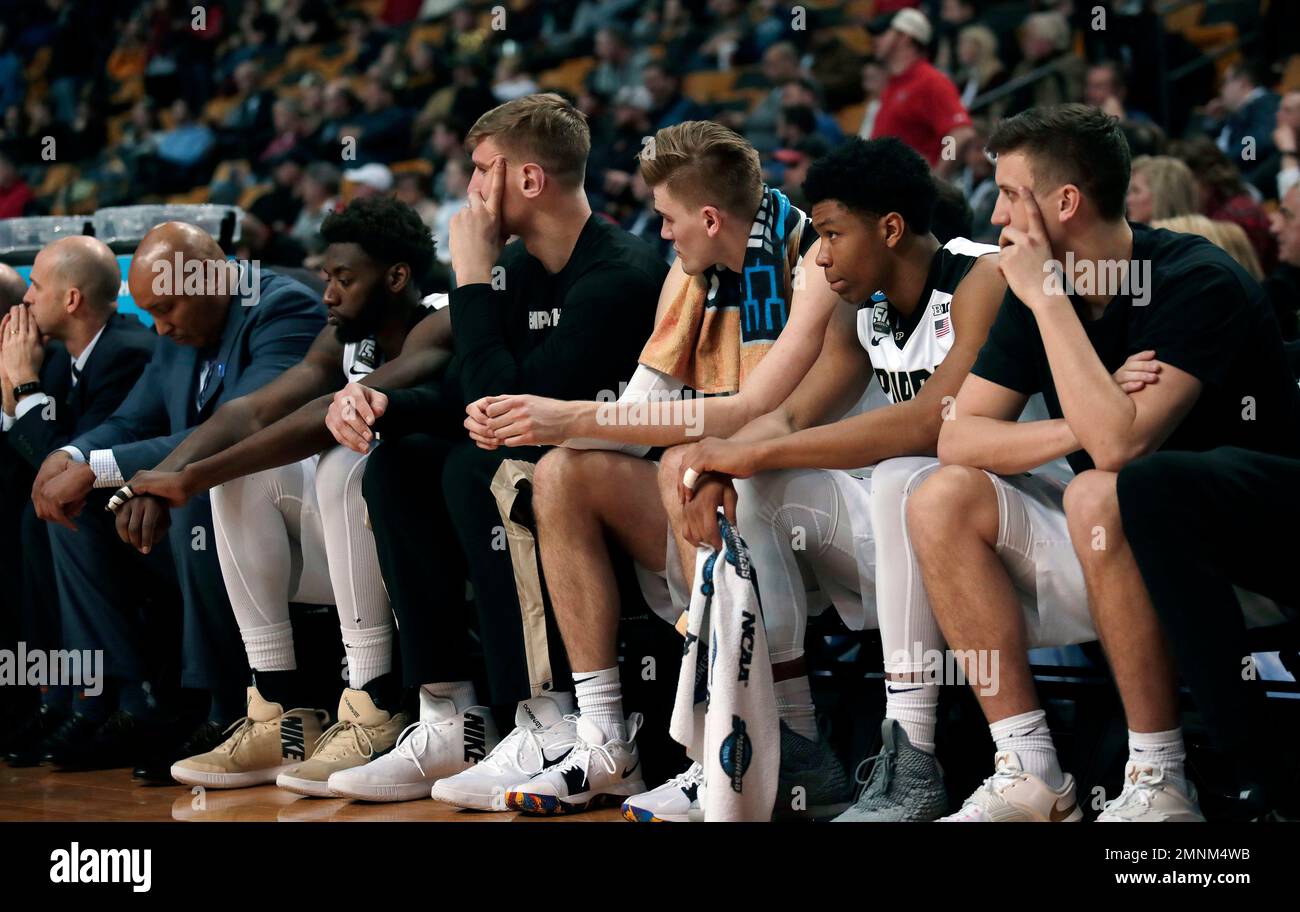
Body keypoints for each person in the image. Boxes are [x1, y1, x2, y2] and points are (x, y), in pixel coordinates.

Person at [905, 104, 1300, 822]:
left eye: (1010, 194)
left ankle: (1160, 778)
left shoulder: (1191, 279)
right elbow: (956, 437)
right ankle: (1029, 767)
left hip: (1244, 551)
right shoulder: (1034, 290)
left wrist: (1051, 302)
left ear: (1065, 202)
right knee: (941, 495)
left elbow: (1121, 448)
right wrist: (1074, 421)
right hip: (1120, 545)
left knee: (1100, 488)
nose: (996, 216)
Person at [481, 120, 839, 816]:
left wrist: (574, 415)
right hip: (728, 488)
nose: (664, 235)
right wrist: (542, 423)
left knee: (692, 463)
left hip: (815, 496)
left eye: (670, 219)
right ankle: (604, 735)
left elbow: (757, 418)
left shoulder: (812, 256)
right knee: (564, 473)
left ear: (709, 217)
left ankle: (756, 746)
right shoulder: (691, 274)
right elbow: (641, 410)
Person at [318, 94, 666, 806]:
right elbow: (463, 396)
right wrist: (385, 406)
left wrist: (470, 280)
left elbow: (509, 414)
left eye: (482, 171)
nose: (470, 190)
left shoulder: (620, 273)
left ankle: (549, 717)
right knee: (399, 461)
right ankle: (449, 712)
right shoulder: (516, 269)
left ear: (528, 181)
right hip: (531, 456)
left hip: (616, 476)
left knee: (483, 467)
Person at [656, 136, 1006, 823]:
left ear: (892, 228)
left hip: (1011, 528)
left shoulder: (981, 278)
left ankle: (914, 759)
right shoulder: (864, 310)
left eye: (832, 234)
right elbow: (788, 418)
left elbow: (931, 421)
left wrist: (751, 454)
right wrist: (717, 461)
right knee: (758, 489)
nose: (819, 255)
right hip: (916, 540)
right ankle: (796, 747)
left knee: (905, 472)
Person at [113, 197, 453, 792]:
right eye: (326, 277)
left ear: (396, 277)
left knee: (345, 461)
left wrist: (191, 477)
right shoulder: (342, 336)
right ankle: (279, 711)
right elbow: (254, 411)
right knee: (242, 476)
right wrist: (163, 477)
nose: (328, 294)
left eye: (345, 279)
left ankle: (372, 705)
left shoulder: (442, 319)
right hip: (346, 549)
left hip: (429, 544)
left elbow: (329, 413)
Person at [29, 222, 325, 774]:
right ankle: (132, 699)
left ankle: (222, 708)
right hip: (193, 511)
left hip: (288, 519)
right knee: (71, 512)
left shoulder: (282, 309)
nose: (159, 328)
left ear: (212, 276)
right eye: (150, 314)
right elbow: (129, 420)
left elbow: (240, 432)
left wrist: (117, 473)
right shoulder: (178, 337)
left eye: (166, 308)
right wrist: (73, 454)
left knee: (199, 494)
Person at [1, 246, 154, 766]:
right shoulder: (64, 357)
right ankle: (63, 694)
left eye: (36, 287)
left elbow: (68, 477)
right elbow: (36, 468)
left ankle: (119, 701)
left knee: (61, 518)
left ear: (70, 299)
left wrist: (22, 387)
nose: (25, 297)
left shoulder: (128, 352)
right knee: (31, 517)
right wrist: (15, 396)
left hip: (146, 512)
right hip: (94, 513)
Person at [869, 8, 974, 173]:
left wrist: (940, 176)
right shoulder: (895, 83)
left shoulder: (930, 81)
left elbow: (960, 134)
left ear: (904, 37)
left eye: (884, 33)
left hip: (908, 193)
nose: (876, 40)